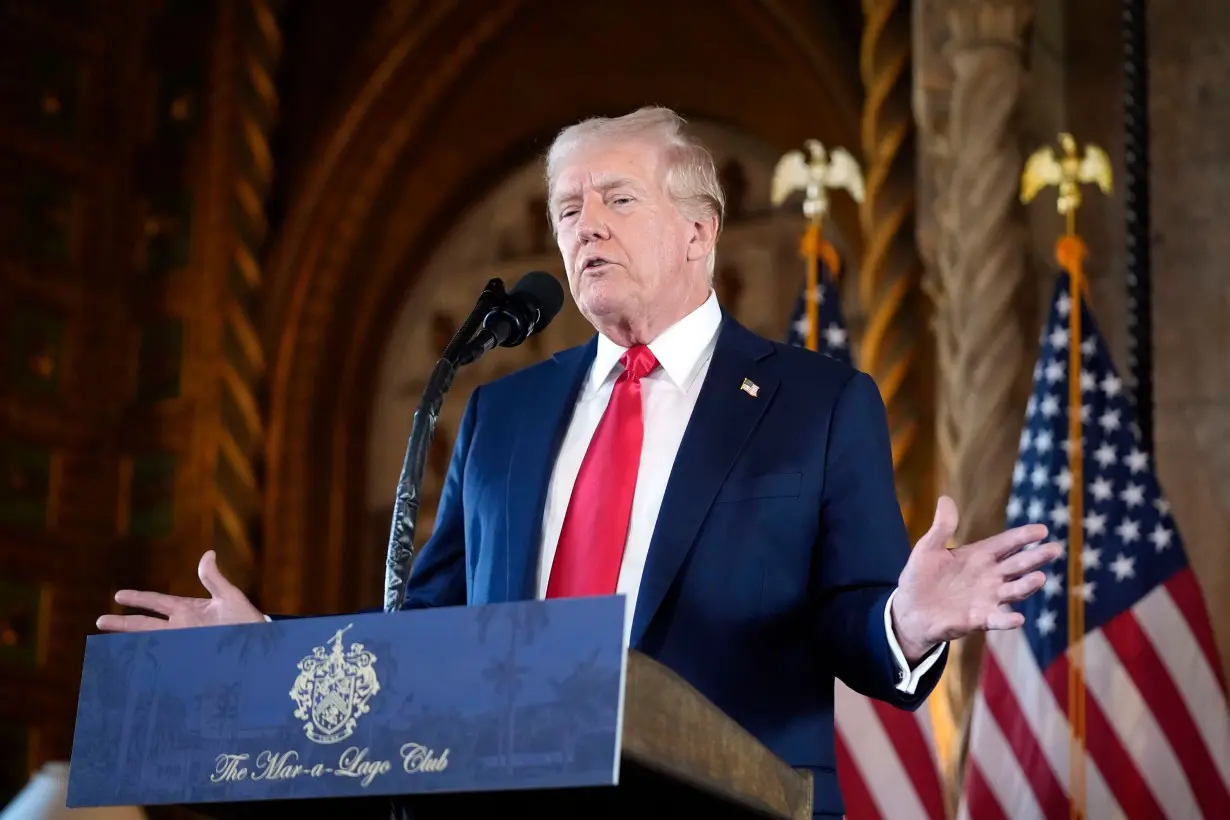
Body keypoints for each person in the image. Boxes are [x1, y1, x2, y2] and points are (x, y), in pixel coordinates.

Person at [98, 106, 1059, 817]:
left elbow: (859, 631)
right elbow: (427, 639)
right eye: (567, 208)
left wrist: (907, 616)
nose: (585, 224)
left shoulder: (817, 404)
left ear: (699, 230)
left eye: (617, 199)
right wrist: (268, 650)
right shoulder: (500, 414)